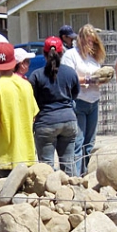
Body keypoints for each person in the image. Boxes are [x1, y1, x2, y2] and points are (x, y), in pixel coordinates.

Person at [0, 42, 39, 178]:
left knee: (6, 196)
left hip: (5, 157)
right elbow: (34, 116)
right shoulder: (26, 85)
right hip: (27, 154)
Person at [30, 36, 80, 176]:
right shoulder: (70, 72)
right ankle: (73, 194)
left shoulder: (36, 75)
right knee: (68, 163)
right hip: (69, 120)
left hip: (45, 123)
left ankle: (49, 196)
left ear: (44, 53)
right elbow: (75, 94)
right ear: (61, 53)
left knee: (46, 168)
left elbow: (31, 99)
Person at [61, 24, 107, 175]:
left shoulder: (93, 58)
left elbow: (98, 75)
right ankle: (75, 175)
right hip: (78, 100)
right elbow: (68, 77)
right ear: (81, 40)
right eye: (88, 41)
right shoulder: (71, 55)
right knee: (78, 141)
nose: (90, 44)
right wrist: (88, 79)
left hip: (93, 100)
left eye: (93, 42)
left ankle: (86, 172)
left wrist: (101, 79)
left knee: (90, 142)